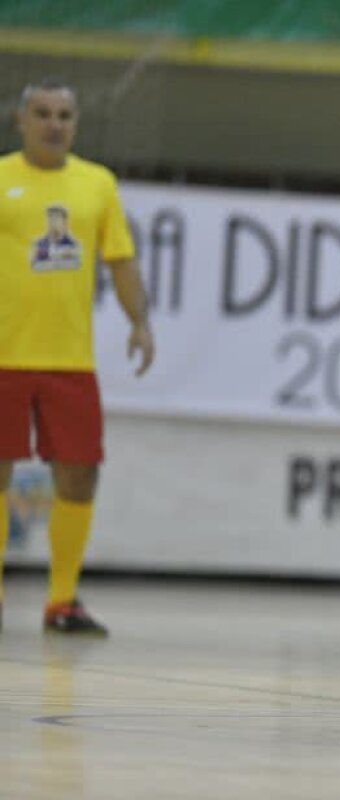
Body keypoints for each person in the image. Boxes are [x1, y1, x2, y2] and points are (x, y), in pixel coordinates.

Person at [0, 80, 154, 635]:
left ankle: (61, 601)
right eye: (42, 113)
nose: (54, 123)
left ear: (76, 122)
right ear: (21, 120)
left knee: (80, 474)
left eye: (65, 114)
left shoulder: (95, 184)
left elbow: (120, 260)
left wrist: (140, 322)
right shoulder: (1, 180)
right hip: (4, 357)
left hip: (69, 360)